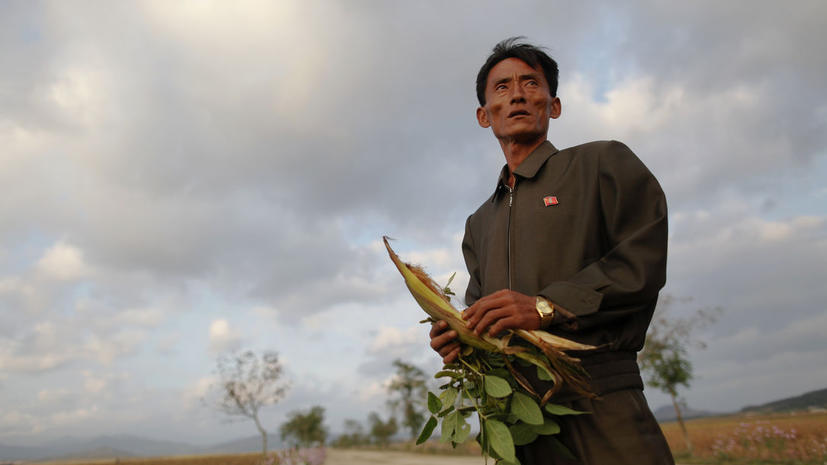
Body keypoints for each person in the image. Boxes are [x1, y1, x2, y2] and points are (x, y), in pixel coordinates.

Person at [429, 38, 674, 465]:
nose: (518, 94)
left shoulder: (601, 165)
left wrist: (545, 307)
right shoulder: (478, 223)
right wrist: (460, 338)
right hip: (522, 418)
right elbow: (488, 322)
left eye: (530, 83)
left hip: (602, 398)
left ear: (553, 105)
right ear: (484, 116)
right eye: (502, 87)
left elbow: (642, 262)